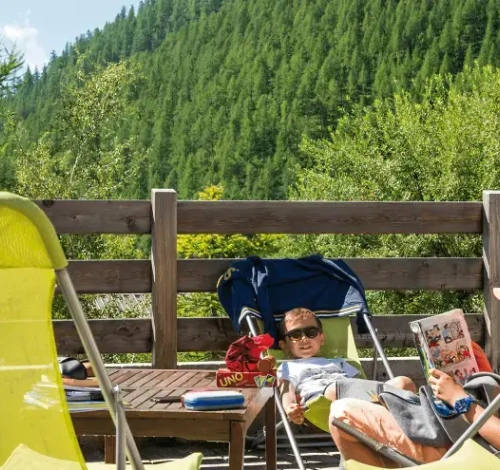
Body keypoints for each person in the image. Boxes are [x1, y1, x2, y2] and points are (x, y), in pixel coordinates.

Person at [329, 342, 500, 467]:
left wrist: (459, 398)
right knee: (396, 388)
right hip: (457, 428)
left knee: (343, 415)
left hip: (462, 446)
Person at [277, 307, 416, 425]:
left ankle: (392, 414)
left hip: (357, 395)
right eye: (295, 335)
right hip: (324, 402)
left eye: (311, 333)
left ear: (322, 338)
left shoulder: (339, 362)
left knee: (404, 382)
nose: (304, 338)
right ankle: (386, 407)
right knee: (335, 389)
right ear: (284, 345)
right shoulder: (288, 367)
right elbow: (286, 390)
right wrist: (290, 407)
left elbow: (361, 384)